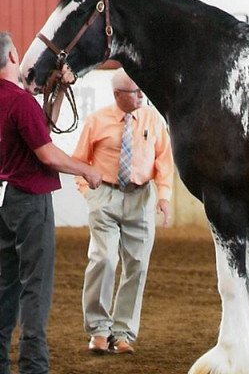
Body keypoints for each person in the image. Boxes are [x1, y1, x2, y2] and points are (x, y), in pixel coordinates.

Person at [0, 31, 102, 374]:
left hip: (5, 199)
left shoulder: (15, 102)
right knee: (36, 287)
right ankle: (33, 366)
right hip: (29, 201)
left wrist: (58, 92)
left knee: (6, 284)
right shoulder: (20, 102)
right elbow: (47, 153)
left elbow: (41, 128)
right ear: (14, 56)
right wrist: (85, 169)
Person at [73, 68, 174, 355]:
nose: (142, 94)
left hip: (141, 197)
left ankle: (123, 333)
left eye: (142, 89)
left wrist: (164, 196)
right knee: (103, 259)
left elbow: (164, 161)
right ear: (117, 95)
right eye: (135, 91)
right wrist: (90, 194)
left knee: (137, 266)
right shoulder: (97, 121)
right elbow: (79, 161)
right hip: (105, 195)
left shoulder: (152, 119)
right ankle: (98, 331)